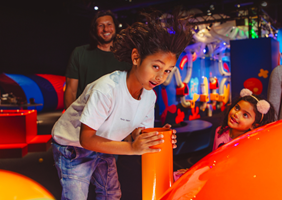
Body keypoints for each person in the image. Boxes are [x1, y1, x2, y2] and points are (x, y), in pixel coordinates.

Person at [51, 9, 192, 200]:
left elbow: (136, 132)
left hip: (103, 142)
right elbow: (86, 139)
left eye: (168, 71)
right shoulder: (107, 89)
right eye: (156, 66)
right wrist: (133, 148)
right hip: (73, 146)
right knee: (76, 196)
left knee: (111, 194)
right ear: (136, 58)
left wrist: (158, 137)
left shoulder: (149, 96)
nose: (160, 77)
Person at [64, 10, 131, 109]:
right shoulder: (79, 53)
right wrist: (71, 121)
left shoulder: (126, 55)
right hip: (85, 117)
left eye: (109, 24)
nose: (106, 29)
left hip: (117, 118)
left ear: (115, 27)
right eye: (101, 25)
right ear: (94, 29)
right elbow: (71, 91)